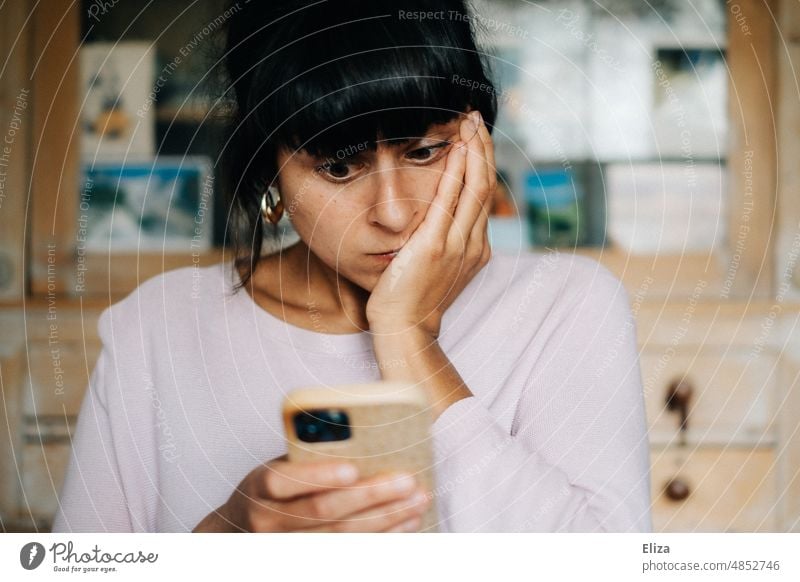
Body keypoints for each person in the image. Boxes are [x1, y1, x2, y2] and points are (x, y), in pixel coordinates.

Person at [52, 0, 652, 533]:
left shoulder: (565, 305)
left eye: (424, 151)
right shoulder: (158, 327)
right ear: (271, 167)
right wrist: (228, 535)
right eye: (338, 167)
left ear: (476, 138)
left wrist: (406, 337)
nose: (392, 214)